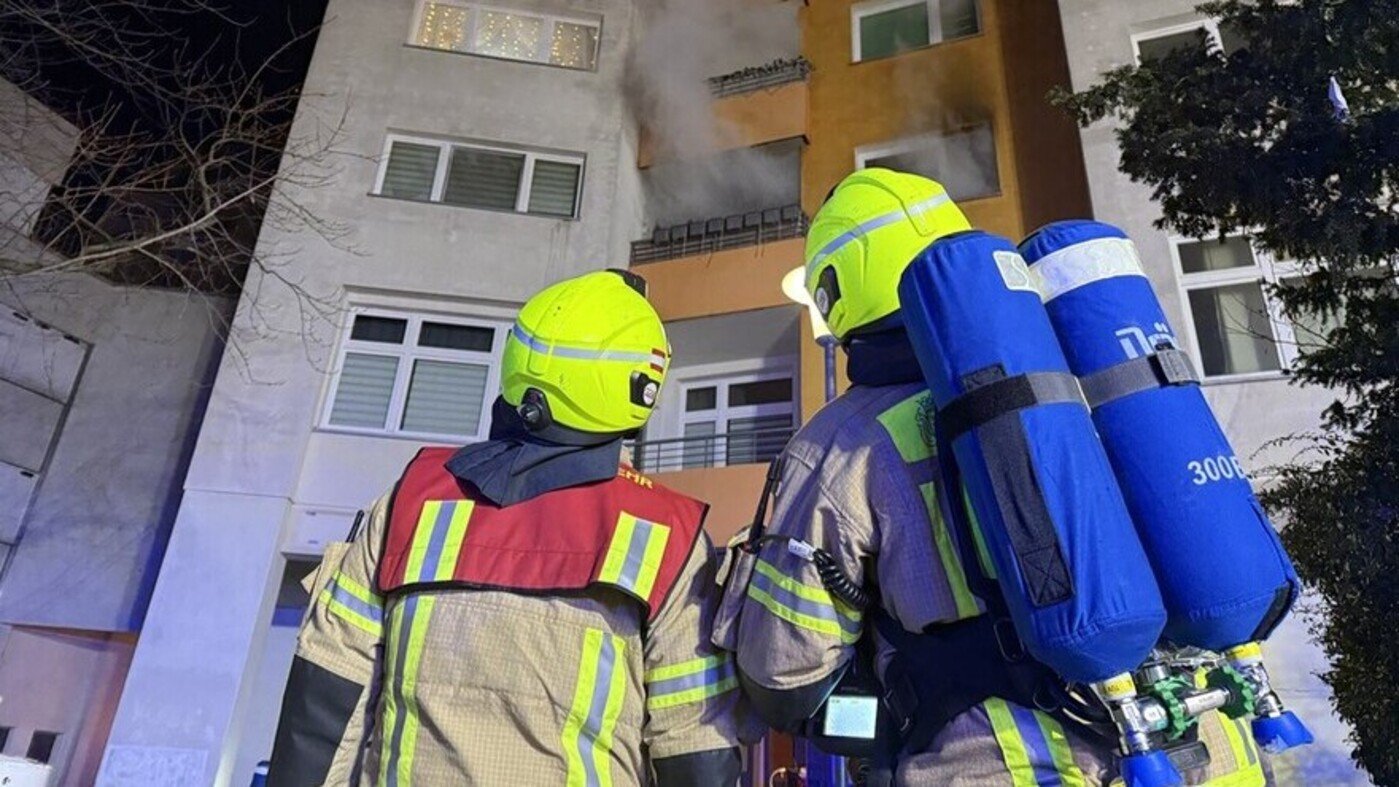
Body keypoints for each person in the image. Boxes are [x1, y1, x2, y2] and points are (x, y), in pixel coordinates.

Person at [723, 168, 1269, 785]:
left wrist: (901, 707)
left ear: (835, 292)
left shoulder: (841, 445)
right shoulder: (1084, 377)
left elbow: (785, 678)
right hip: (1216, 752)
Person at [268, 269, 756, 786]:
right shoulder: (668, 537)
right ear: (640, 392)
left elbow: (323, 707)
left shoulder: (413, 500)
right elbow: (695, 749)